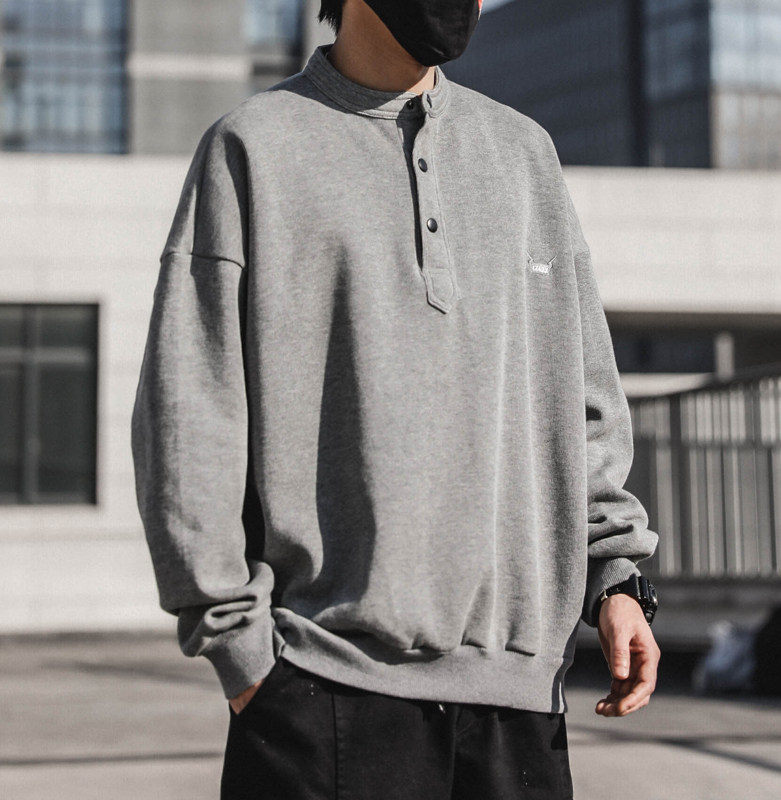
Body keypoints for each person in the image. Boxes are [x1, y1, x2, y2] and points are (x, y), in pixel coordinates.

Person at [131, 1, 661, 797]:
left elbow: (582, 397)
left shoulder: (523, 154)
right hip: (320, 693)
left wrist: (616, 579)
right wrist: (242, 654)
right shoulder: (253, 147)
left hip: (519, 703)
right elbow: (190, 412)